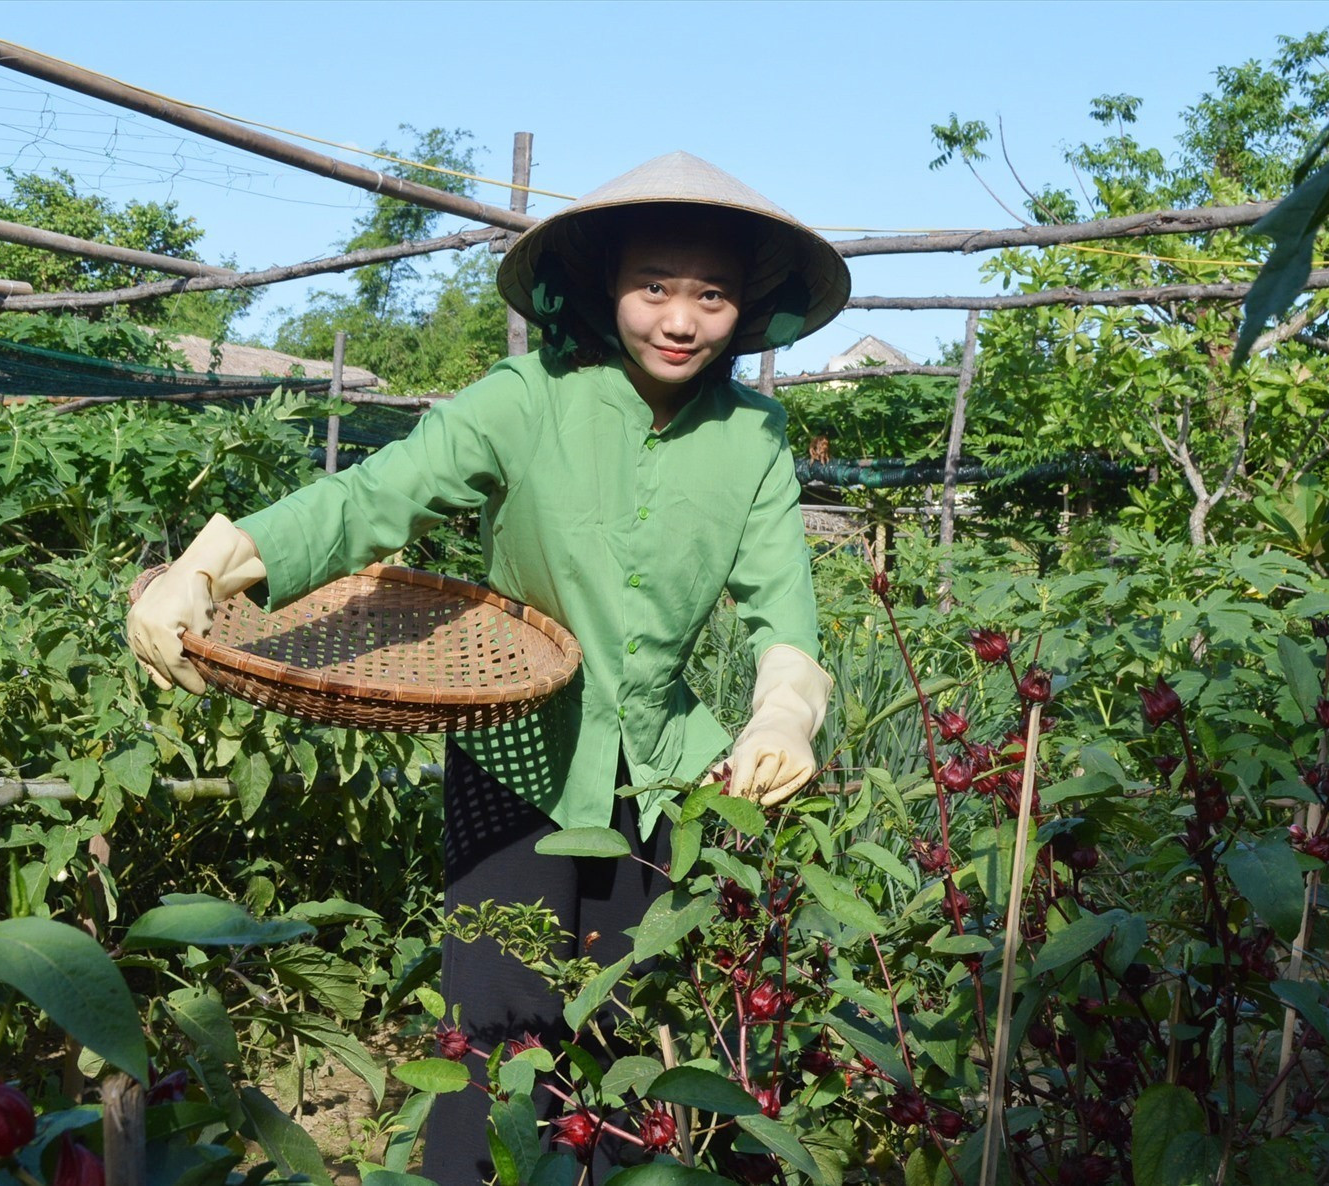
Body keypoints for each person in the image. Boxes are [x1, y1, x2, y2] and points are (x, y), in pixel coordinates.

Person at [126, 151, 850, 1181]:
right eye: (654, 287)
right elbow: (369, 500)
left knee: (617, 1057)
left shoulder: (753, 437)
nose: (679, 320)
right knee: (495, 1050)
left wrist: (782, 716)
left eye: (712, 294)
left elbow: (786, 610)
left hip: (664, 781)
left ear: (749, 304)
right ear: (606, 283)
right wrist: (207, 567)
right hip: (517, 764)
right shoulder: (528, 398)